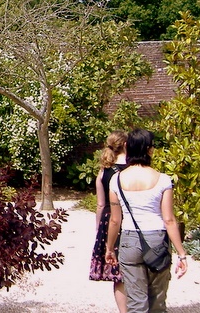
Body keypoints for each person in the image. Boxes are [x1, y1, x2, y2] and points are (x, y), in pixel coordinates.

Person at [105, 129, 188, 313]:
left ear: (127, 147)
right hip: (157, 240)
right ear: (150, 150)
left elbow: (115, 220)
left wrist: (110, 248)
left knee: (136, 302)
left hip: (129, 241)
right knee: (158, 302)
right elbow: (169, 220)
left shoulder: (116, 180)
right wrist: (181, 253)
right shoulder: (163, 179)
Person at [90, 131, 129, 312]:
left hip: (109, 220)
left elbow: (100, 204)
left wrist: (99, 229)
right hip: (129, 218)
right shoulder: (134, 168)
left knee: (118, 275)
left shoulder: (104, 171)